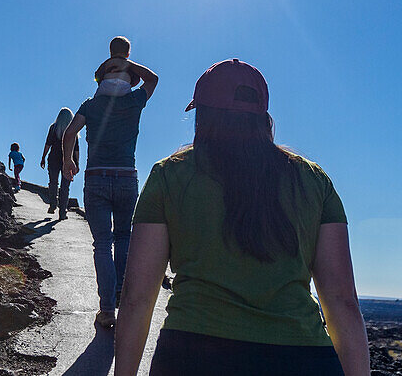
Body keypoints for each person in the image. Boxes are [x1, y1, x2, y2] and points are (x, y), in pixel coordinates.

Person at [114, 59, 370, 376]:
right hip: (303, 359)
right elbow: (343, 302)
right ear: (263, 118)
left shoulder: (169, 176)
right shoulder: (313, 181)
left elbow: (137, 297)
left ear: (202, 116)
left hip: (192, 355)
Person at [63, 36, 159, 330]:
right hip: (126, 178)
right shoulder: (133, 100)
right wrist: (127, 62)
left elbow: (69, 133)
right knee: (124, 239)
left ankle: (107, 309)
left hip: (96, 178)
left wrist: (68, 160)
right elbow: (153, 79)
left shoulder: (91, 105)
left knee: (102, 244)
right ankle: (121, 296)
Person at [40, 107, 78, 219]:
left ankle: (52, 204)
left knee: (53, 182)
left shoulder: (53, 128)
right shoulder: (73, 129)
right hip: (69, 159)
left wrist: (43, 157)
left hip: (53, 158)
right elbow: (76, 149)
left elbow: (48, 144)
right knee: (65, 186)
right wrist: (77, 164)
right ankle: (62, 212)